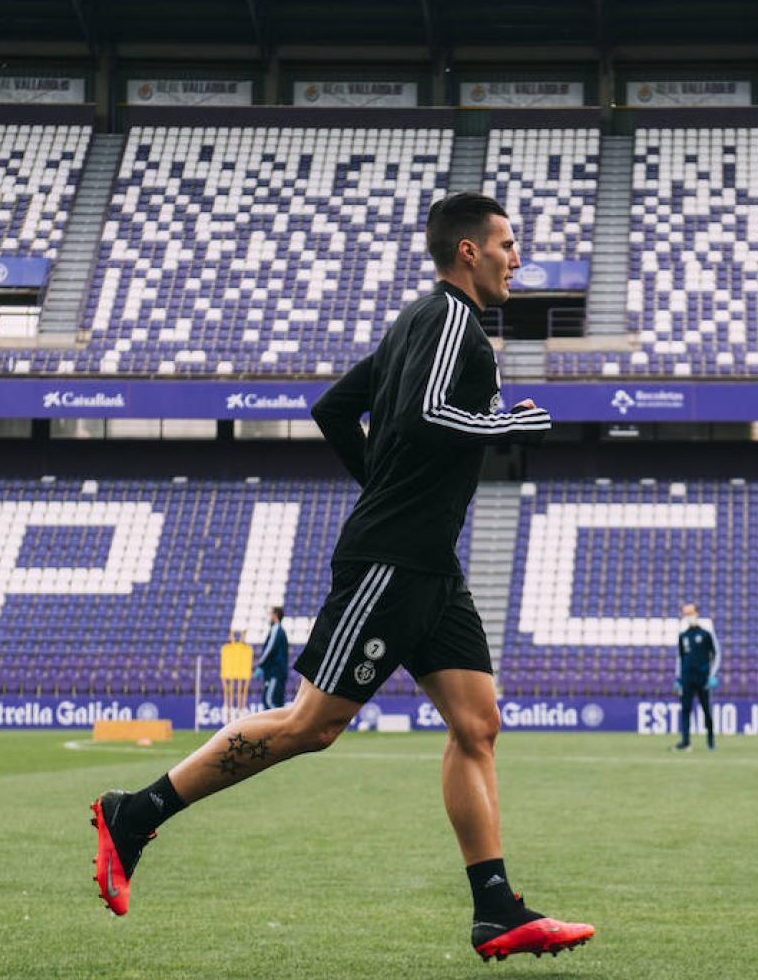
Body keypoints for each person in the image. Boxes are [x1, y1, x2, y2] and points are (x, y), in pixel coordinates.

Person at [88, 193, 594, 962]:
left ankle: (495, 907)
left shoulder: (412, 327)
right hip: (392, 560)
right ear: (468, 252)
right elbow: (427, 414)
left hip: (430, 566)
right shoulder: (454, 324)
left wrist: (383, 485)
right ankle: (134, 813)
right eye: (507, 245)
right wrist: (503, 423)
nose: (516, 259)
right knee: (311, 726)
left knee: (477, 725)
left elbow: (331, 409)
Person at [673, 603, 719, 752]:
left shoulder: (706, 634)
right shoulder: (683, 636)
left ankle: (711, 741)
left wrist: (712, 675)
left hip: (703, 679)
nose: (689, 617)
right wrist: (678, 678)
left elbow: (716, 654)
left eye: (691, 613)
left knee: (706, 710)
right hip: (687, 679)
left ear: (697, 613)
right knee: (686, 710)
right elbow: (680, 658)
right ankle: (685, 742)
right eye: (686, 614)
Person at [256, 606, 289, 710]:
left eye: (271, 614)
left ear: (275, 615)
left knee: (270, 701)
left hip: (275, 672)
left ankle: (278, 726)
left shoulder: (276, 629)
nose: (269, 617)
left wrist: (261, 664)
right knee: (277, 703)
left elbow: (270, 648)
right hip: (275, 671)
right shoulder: (278, 630)